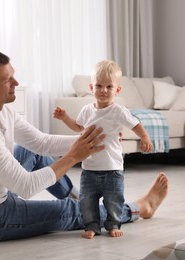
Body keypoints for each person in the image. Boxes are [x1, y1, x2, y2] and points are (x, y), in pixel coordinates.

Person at [0, 49, 169, 243]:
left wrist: (95, 139)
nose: (16, 83)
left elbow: (41, 142)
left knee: (31, 150)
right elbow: (26, 187)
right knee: (68, 213)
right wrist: (73, 156)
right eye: (7, 80)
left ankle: (81, 199)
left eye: (14, 75)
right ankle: (138, 208)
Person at [53, 60, 154, 239]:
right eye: (99, 86)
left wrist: (144, 137)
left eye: (109, 86)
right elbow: (78, 127)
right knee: (87, 202)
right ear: (91, 87)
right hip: (89, 170)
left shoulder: (118, 111)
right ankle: (91, 226)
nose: (104, 90)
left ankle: (113, 224)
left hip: (112, 169)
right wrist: (64, 117)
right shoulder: (86, 110)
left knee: (114, 201)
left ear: (117, 90)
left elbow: (135, 124)